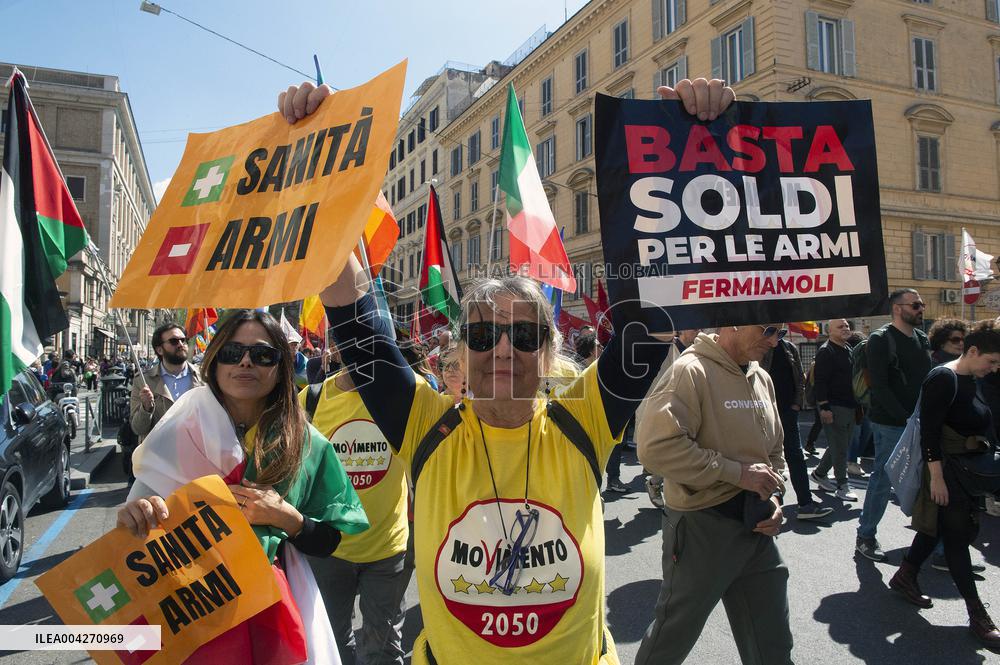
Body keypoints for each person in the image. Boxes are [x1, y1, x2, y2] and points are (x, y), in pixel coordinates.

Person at [284, 74, 728, 665]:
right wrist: (323, 163)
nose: (502, 350)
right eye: (483, 333)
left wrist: (693, 145)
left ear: (548, 353)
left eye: (523, 335)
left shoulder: (585, 419)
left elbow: (658, 309)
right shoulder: (424, 424)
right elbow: (355, 313)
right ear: (459, 349)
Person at [118, 309, 369, 662]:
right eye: (233, 353)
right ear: (215, 361)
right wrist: (137, 513)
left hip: (277, 607)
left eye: (263, 354)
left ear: (280, 366)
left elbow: (329, 540)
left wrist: (285, 517)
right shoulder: (179, 431)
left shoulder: (306, 443)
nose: (246, 363)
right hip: (191, 607)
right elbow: (131, 528)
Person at [635, 326, 790, 665]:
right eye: (768, 330)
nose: (775, 340)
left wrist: (775, 495)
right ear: (734, 321)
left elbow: (775, 450)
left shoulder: (761, 376)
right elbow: (655, 449)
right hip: (702, 526)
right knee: (671, 638)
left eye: (781, 331)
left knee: (774, 645)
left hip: (757, 526)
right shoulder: (690, 370)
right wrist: (737, 473)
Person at [303, 342, 431, 665]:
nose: (359, 345)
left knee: (383, 650)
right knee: (330, 642)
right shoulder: (310, 400)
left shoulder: (407, 395)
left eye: (368, 336)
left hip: (387, 552)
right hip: (329, 551)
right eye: (350, 337)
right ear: (334, 347)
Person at [887, 320, 1000, 648]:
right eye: (991, 361)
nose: (993, 369)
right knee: (955, 540)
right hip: (946, 472)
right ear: (973, 350)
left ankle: (905, 574)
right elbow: (930, 433)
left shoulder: (972, 377)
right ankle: (978, 617)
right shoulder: (943, 377)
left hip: (964, 472)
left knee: (935, 529)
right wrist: (936, 479)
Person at [856, 289, 932, 562]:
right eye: (916, 304)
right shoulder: (880, 339)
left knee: (929, 478)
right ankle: (865, 535)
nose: (921, 308)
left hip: (922, 421)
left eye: (921, 304)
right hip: (891, 424)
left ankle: (937, 545)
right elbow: (879, 386)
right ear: (898, 309)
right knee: (883, 478)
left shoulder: (922, 338)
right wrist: (905, 419)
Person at [763, 327, 834, 519]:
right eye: (773, 332)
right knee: (765, 460)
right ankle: (768, 507)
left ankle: (806, 504)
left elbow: (800, 379)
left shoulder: (789, 348)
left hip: (788, 412)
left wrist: (796, 404)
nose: (776, 338)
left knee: (796, 456)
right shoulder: (758, 348)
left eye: (780, 333)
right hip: (764, 413)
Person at [645, 329, 700, 509]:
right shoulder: (667, 349)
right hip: (667, 405)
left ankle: (675, 491)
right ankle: (655, 483)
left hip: (691, 403)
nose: (698, 332)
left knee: (687, 448)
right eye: (694, 329)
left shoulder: (698, 349)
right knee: (672, 449)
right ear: (682, 331)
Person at [129, 322, 204, 445]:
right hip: (159, 457)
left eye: (183, 340)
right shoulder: (143, 381)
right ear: (159, 349)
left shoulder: (204, 377)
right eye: (174, 341)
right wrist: (146, 408)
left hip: (196, 454)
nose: (180, 344)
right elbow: (138, 429)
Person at [810, 318, 859, 502]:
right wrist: (824, 407)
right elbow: (820, 382)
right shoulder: (826, 351)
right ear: (829, 331)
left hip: (849, 405)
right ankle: (842, 485)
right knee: (840, 447)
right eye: (840, 326)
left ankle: (819, 474)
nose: (845, 328)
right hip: (833, 406)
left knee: (841, 444)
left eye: (846, 326)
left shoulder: (847, 349)